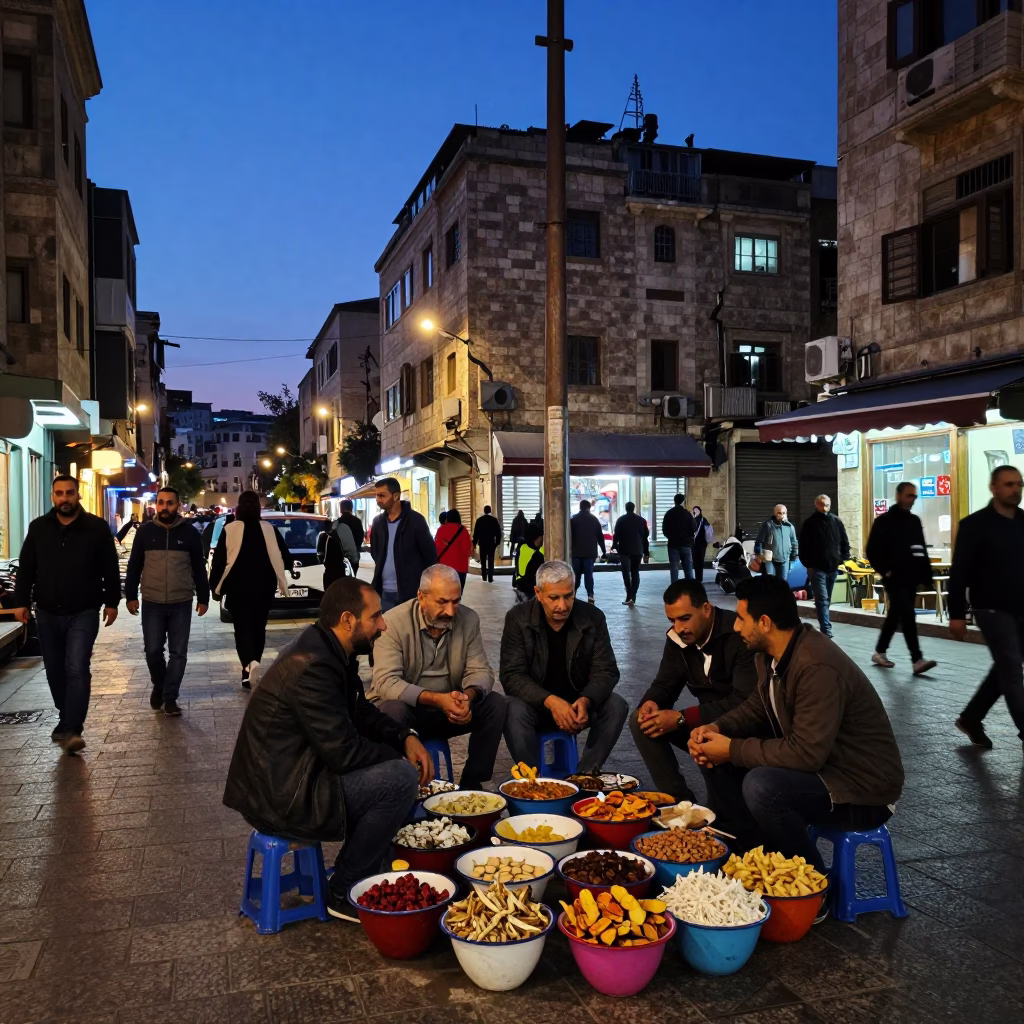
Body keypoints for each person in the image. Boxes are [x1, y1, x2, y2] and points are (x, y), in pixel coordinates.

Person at [223, 577, 432, 922]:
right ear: (349, 620)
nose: (383, 624)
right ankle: (345, 889)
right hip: (281, 796)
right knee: (398, 780)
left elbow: (360, 710)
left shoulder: (331, 647)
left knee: (394, 769)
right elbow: (344, 754)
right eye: (376, 616)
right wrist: (398, 761)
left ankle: (369, 869)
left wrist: (404, 737)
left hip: (295, 777)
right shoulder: (314, 665)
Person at [687, 575, 904, 873]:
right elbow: (757, 708)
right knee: (714, 755)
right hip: (823, 768)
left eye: (741, 618)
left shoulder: (816, 666)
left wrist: (733, 749)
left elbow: (806, 753)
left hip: (862, 789)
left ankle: (812, 884)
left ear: (764, 622)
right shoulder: (769, 656)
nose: (736, 627)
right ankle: (753, 855)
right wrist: (717, 730)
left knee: (763, 786)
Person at [11, 475, 120, 754]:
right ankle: (66, 716)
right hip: (46, 611)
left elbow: (109, 567)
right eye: (59, 493)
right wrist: (21, 602)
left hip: (83, 611)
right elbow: (26, 568)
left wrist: (112, 601)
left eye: (69, 493)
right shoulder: (39, 528)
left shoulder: (96, 528)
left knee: (76, 668)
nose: (64, 498)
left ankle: (72, 729)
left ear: (77, 495)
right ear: (52, 497)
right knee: (55, 671)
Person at [370, 565, 506, 789]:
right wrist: (436, 699)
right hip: (409, 712)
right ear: (421, 597)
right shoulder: (393, 623)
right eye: (442, 602)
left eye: (456, 601)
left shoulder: (468, 619)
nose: (451, 611)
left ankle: (472, 784)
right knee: (391, 710)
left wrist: (467, 697)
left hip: (449, 711)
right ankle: (399, 785)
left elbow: (481, 671)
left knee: (496, 704)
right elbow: (386, 682)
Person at [630, 581, 758, 818]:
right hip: (706, 722)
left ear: (706, 609)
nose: (679, 628)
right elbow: (665, 683)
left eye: (685, 618)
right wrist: (651, 702)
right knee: (641, 722)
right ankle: (681, 805)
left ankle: (724, 816)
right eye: (672, 621)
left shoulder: (739, 635)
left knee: (705, 741)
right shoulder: (678, 639)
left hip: (742, 726)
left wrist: (680, 718)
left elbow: (743, 703)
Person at [500, 560, 628, 772]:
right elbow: (511, 675)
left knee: (616, 704)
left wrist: (586, 700)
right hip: (536, 705)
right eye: (554, 598)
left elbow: (606, 669)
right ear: (538, 593)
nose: (562, 605)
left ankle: (585, 775)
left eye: (568, 596)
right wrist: (550, 701)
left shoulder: (592, 618)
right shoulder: (518, 618)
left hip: (578, 705)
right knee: (511, 708)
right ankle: (534, 781)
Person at [949, 465, 1024, 750]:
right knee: (1012, 669)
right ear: (994, 488)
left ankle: (971, 717)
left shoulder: (1023, 522)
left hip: (1021, 608)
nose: (1015, 489)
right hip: (990, 609)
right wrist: (956, 614)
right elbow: (959, 572)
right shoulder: (974, 525)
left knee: (1006, 668)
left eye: (1019, 484)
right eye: (1008, 484)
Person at [124, 486, 210, 717]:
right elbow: (134, 566)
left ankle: (170, 697)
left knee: (178, 653)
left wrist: (204, 597)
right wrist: (131, 595)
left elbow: (199, 569)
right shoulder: (145, 532)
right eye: (161, 502)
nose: (164, 507)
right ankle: (159, 685)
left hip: (181, 601)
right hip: (152, 601)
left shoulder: (190, 534)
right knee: (152, 651)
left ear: (178, 505)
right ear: (156, 505)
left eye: (169, 503)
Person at [210, 491, 292, 689]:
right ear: (258, 507)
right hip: (263, 588)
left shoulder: (230, 529)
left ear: (238, 507)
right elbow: (285, 556)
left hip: (238, 589)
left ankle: (248, 667)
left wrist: (214, 587)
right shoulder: (269, 529)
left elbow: (219, 561)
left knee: (242, 629)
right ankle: (254, 661)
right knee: (258, 628)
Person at [865, 482, 937, 676]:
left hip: (911, 577)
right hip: (894, 578)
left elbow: (920, 548)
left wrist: (926, 575)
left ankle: (880, 651)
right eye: (908, 495)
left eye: (914, 496)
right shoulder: (884, 521)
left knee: (896, 614)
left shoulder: (913, 521)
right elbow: (872, 550)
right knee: (907, 615)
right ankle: (917, 659)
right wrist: (886, 571)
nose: (911, 500)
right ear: (898, 496)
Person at [369, 477, 437, 611]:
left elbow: (430, 556)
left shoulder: (415, 521)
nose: (378, 499)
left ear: (396, 496)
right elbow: (375, 552)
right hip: (384, 593)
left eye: (382, 495)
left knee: (410, 631)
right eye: (376, 495)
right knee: (387, 631)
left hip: (410, 593)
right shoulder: (378, 522)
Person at [798, 495, 850, 638]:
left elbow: (844, 541)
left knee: (826, 599)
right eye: (822, 504)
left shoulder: (836, 521)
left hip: (832, 567)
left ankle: (824, 624)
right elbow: (803, 546)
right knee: (821, 598)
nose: (825, 507)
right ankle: (826, 629)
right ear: (816, 505)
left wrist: (843, 559)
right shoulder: (810, 523)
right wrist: (808, 564)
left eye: (827, 504)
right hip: (816, 568)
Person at [612, 501, 649, 606]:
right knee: (635, 572)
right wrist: (646, 552)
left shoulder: (621, 520)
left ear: (625, 508)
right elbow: (645, 537)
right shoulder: (641, 520)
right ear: (634, 508)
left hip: (624, 550)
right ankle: (633, 596)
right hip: (638, 550)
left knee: (625, 573)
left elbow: (616, 535)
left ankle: (629, 594)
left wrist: (614, 546)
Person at [570, 499, 606, 604]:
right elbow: (600, 537)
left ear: (580, 507)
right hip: (590, 553)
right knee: (588, 575)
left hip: (576, 553)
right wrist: (604, 552)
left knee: (576, 575)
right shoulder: (594, 519)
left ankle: (573, 594)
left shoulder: (573, 519)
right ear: (589, 508)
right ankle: (590, 595)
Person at [754, 505, 799, 583]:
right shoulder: (767, 525)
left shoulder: (789, 527)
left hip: (785, 558)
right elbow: (759, 541)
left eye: (784, 513)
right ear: (775, 513)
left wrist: (794, 555)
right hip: (769, 559)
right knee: (771, 581)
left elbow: (794, 542)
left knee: (783, 582)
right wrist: (759, 553)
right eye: (779, 513)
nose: (782, 515)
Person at [434, 508, 472, 589]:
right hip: (461, 567)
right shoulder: (463, 530)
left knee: (445, 592)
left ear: (448, 518)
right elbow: (467, 549)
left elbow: (436, 548)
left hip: (444, 567)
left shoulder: (441, 530)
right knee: (457, 594)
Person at [662, 494, 696, 583]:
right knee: (688, 567)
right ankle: (690, 588)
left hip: (673, 544)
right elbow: (693, 528)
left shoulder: (669, 513)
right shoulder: (687, 514)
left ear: (674, 501)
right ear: (683, 501)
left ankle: (674, 588)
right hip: (686, 544)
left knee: (674, 568)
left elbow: (664, 529)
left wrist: (671, 537)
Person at [320, 517, 359, 589]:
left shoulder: (323, 537)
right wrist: (354, 561)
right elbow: (350, 549)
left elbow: (321, 556)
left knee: (330, 594)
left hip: (329, 572)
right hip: (339, 571)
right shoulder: (339, 532)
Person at [513, 523, 544, 602]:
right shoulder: (536, 554)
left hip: (520, 585)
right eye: (541, 537)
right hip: (529, 589)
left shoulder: (522, 547)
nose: (543, 540)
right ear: (536, 538)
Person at [472, 505, 502, 583]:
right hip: (491, 543)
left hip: (482, 543)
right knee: (491, 559)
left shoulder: (479, 520)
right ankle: (490, 576)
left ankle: (484, 575)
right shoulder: (494, 520)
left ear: (484, 511)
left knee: (483, 559)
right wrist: (497, 542)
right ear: (490, 510)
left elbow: (476, 533)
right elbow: (498, 533)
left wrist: (474, 543)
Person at [691, 505, 711, 583]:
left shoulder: (703, 520)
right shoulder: (692, 520)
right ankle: (697, 577)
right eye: (694, 510)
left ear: (700, 511)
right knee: (695, 561)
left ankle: (699, 578)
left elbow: (708, 531)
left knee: (700, 560)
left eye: (697, 510)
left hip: (702, 544)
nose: (695, 512)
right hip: (694, 544)